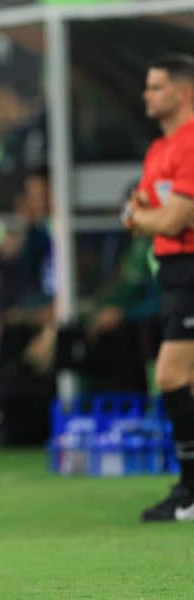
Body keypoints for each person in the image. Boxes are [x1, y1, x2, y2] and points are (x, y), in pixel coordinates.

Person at [121, 53, 194, 523]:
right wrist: (147, 218)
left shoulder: (190, 144)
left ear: (184, 91)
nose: (147, 95)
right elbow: (140, 213)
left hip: (191, 268)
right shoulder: (158, 150)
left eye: (156, 87)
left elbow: (169, 218)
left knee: (170, 376)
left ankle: (189, 490)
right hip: (173, 273)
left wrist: (145, 218)